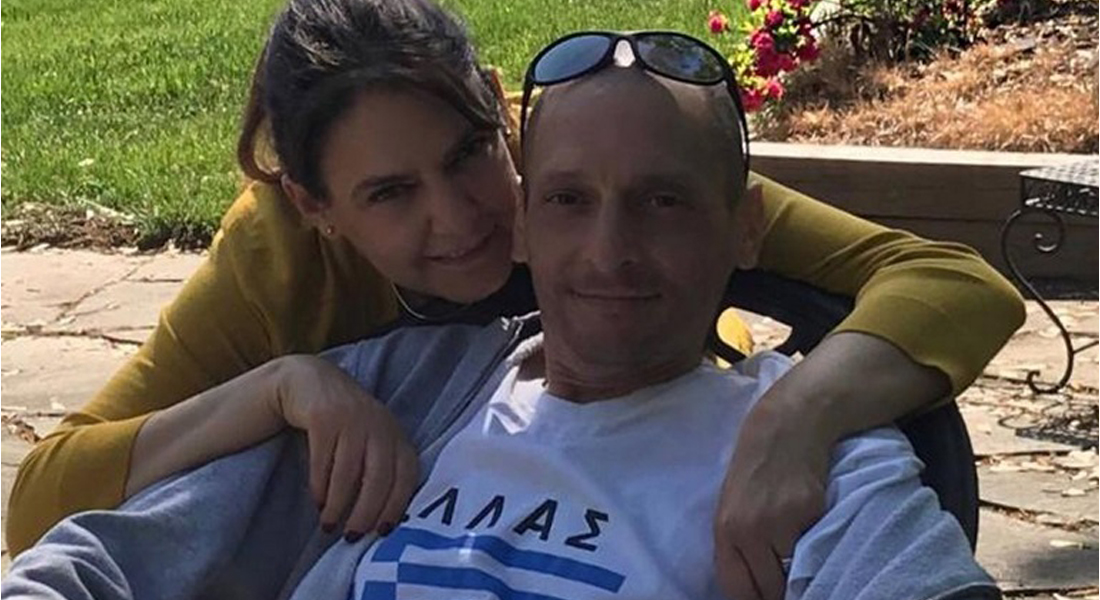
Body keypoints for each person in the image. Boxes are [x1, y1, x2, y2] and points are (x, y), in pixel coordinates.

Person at [6, 0, 1024, 596]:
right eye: (391, 194)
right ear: (316, 206)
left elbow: (951, 281)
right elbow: (53, 510)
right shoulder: (307, 294)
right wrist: (284, 386)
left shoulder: (597, 177)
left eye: (468, 157)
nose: (463, 220)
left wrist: (793, 417)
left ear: (502, 120)